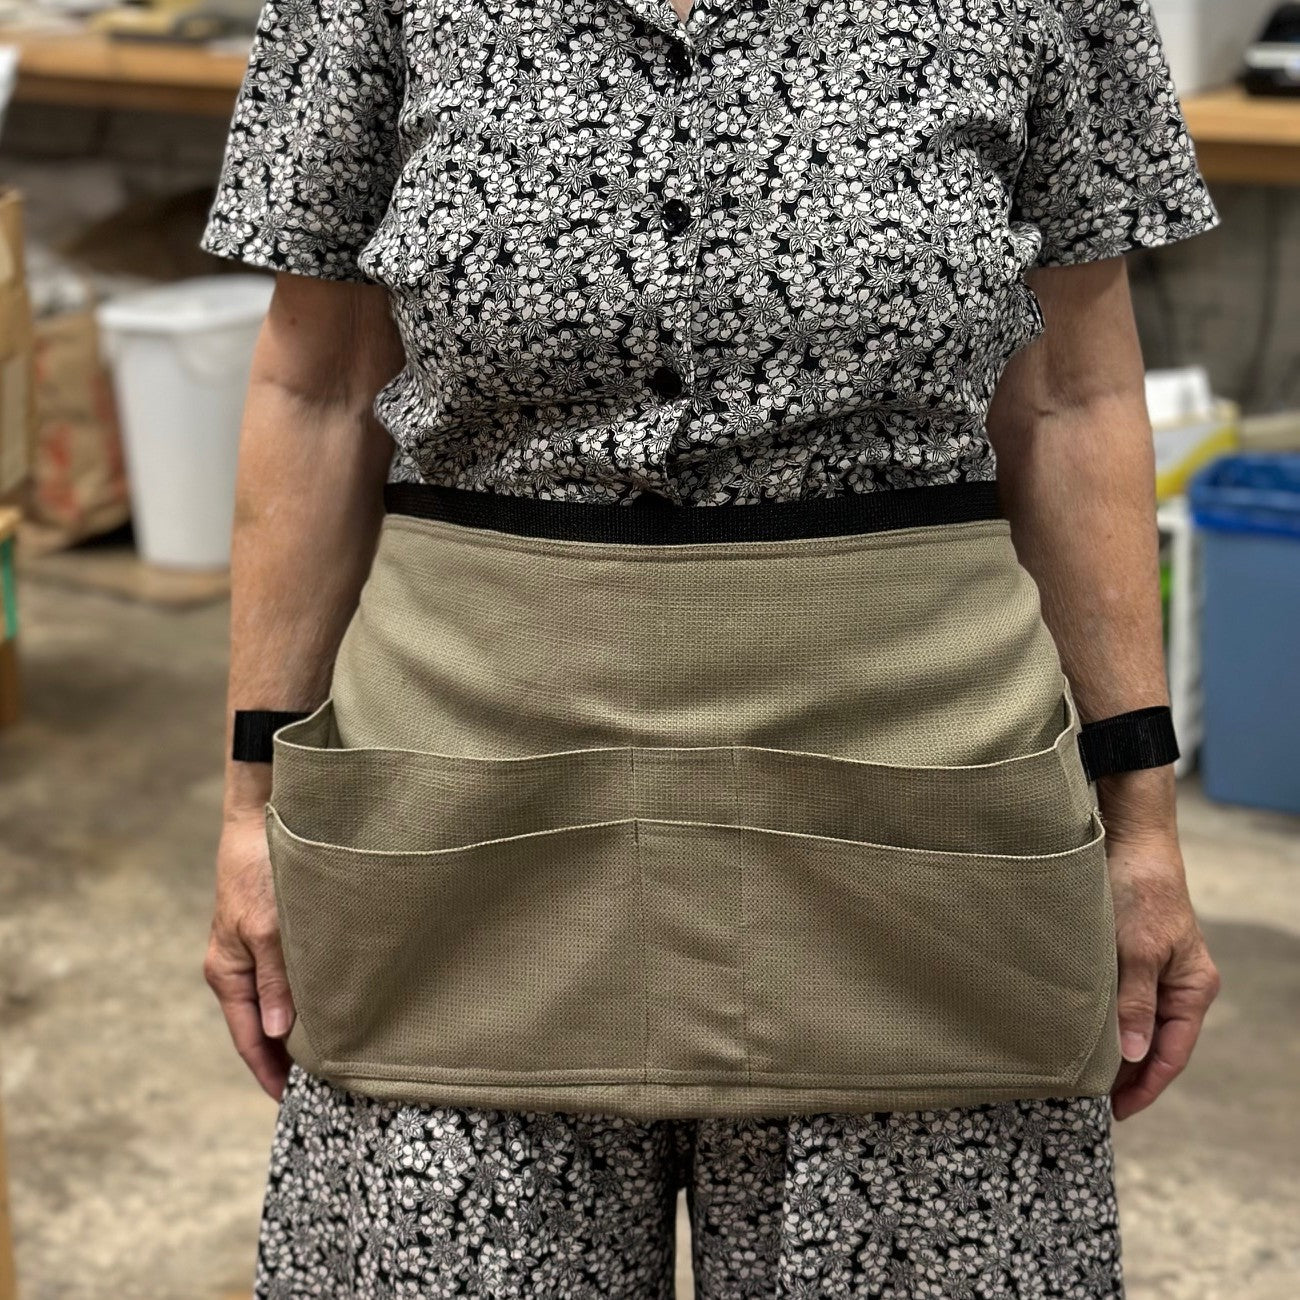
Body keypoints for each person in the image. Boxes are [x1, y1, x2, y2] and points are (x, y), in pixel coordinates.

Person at [199, 0, 1223, 1293]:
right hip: (460, 817)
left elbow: (1075, 397)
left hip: (922, 829)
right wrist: (250, 805)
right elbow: (317, 387)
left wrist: (1141, 822)